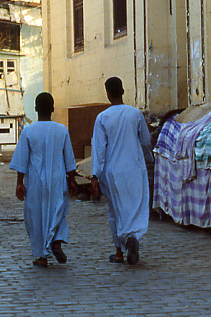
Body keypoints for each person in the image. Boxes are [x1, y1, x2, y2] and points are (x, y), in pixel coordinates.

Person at [10, 92, 78, 267]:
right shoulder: (62, 130)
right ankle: (56, 242)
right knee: (59, 210)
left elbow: (22, 160)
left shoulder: (28, 131)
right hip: (57, 179)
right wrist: (72, 180)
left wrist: (19, 183)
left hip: (35, 182)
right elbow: (69, 160)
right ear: (53, 108)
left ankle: (42, 256)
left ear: (35, 109)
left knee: (36, 216)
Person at [89, 77, 152, 264]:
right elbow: (146, 142)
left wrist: (95, 176)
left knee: (115, 210)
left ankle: (119, 250)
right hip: (134, 168)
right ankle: (133, 236)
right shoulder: (135, 114)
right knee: (136, 206)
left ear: (107, 93)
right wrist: (149, 159)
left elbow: (99, 150)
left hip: (112, 172)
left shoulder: (102, 118)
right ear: (123, 91)